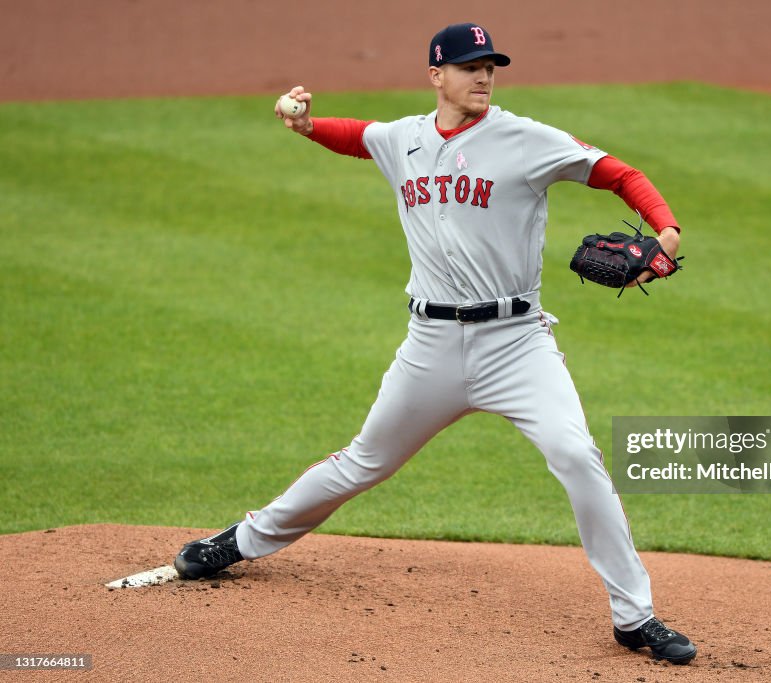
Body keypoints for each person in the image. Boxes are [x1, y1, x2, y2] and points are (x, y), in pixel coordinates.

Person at [174, 22, 695, 665]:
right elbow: (359, 138)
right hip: (431, 346)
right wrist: (305, 124)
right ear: (436, 75)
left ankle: (635, 617)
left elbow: (619, 172)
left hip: (516, 343)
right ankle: (241, 540)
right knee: (365, 461)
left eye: (491, 66)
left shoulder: (525, 139)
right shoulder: (406, 139)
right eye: (471, 66)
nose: (483, 77)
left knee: (577, 457)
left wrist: (665, 230)